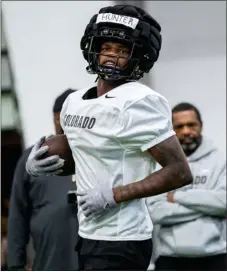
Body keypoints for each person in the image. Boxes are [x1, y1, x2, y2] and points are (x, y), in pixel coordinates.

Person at [25, 5, 193, 271]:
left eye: (122, 51)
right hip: (88, 232)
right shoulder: (74, 101)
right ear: (94, 48)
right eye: (107, 49)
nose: (112, 58)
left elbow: (180, 172)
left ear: (138, 56)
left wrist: (114, 195)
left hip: (123, 237)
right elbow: (83, 155)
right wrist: (39, 165)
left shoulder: (141, 101)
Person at [147, 102, 226, 271]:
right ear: (171, 130)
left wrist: (177, 197)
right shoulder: (159, 164)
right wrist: (207, 205)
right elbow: (155, 211)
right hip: (170, 258)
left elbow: (224, 203)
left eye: (191, 125)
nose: (186, 131)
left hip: (216, 257)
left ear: (200, 125)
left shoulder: (221, 161)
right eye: (179, 126)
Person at [7, 89, 79, 271]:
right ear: (55, 118)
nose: (64, 123)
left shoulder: (97, 154)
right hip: (50, 257)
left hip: (96, 254)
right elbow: (18, 213)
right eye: (60, 117)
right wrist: (15, 264)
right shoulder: (35, 157)